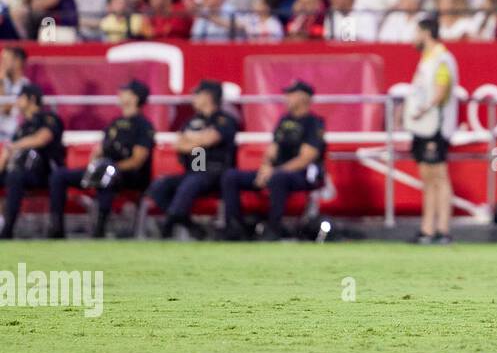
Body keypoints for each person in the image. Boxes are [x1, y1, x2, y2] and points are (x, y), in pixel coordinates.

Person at [46, 79, 155, 240]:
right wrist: (96, 160)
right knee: (59, 176)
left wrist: (111, 167)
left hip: (129, 176)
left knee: (106, 176)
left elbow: (137, 160)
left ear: (134, 98)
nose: (120, 94)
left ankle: (99, 230)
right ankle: (56, 228)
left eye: (125, 92)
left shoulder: (143, 126)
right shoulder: (114, 124)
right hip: (104, 169)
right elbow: (98, 151)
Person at [220, 80, 326, 241]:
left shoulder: (314, 123)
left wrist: (274, 172)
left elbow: (305, 158)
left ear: (303, 97)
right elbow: (272, 150)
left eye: (290, 94)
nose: (286, 98)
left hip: (302, 175)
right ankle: (234, 227)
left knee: (278, 178)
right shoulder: (284, 121)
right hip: (276, 171)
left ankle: (273, 228)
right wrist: (265, 169)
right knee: (231, 176)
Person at [146, 80, 239, 240]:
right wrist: (198, 140)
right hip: (194, 168)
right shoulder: (192, 121)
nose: (193, 98)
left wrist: (191, 138)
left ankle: (168, 225)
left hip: (215, 171)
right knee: (159, 186)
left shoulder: (225, 120)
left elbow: (210, 139)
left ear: (208, 96)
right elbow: (179, 144)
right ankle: (186, 223)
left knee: (192, 181)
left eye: (197, 94)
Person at [405, 17, 459, 246]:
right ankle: (427, 228)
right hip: (422, 125)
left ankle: (443, 229)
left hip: (435, 125)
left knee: (439, 175)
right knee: (427, 177)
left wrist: (424, 109)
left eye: (416, 32)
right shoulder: (427, 59)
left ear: (426, 33)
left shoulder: (441, 58)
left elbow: (441, 90)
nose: (413, 38)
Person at [0, 83, 65, 240]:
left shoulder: (49, 118)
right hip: (20, 172)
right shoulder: (22, 128)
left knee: (15, 176)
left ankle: (7, 230)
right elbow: (8, 153)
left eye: (20, 97)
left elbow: (41, 139)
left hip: (45, 173)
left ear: (32, 99)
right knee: (13, 175)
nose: (17, 101)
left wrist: (13, 146)